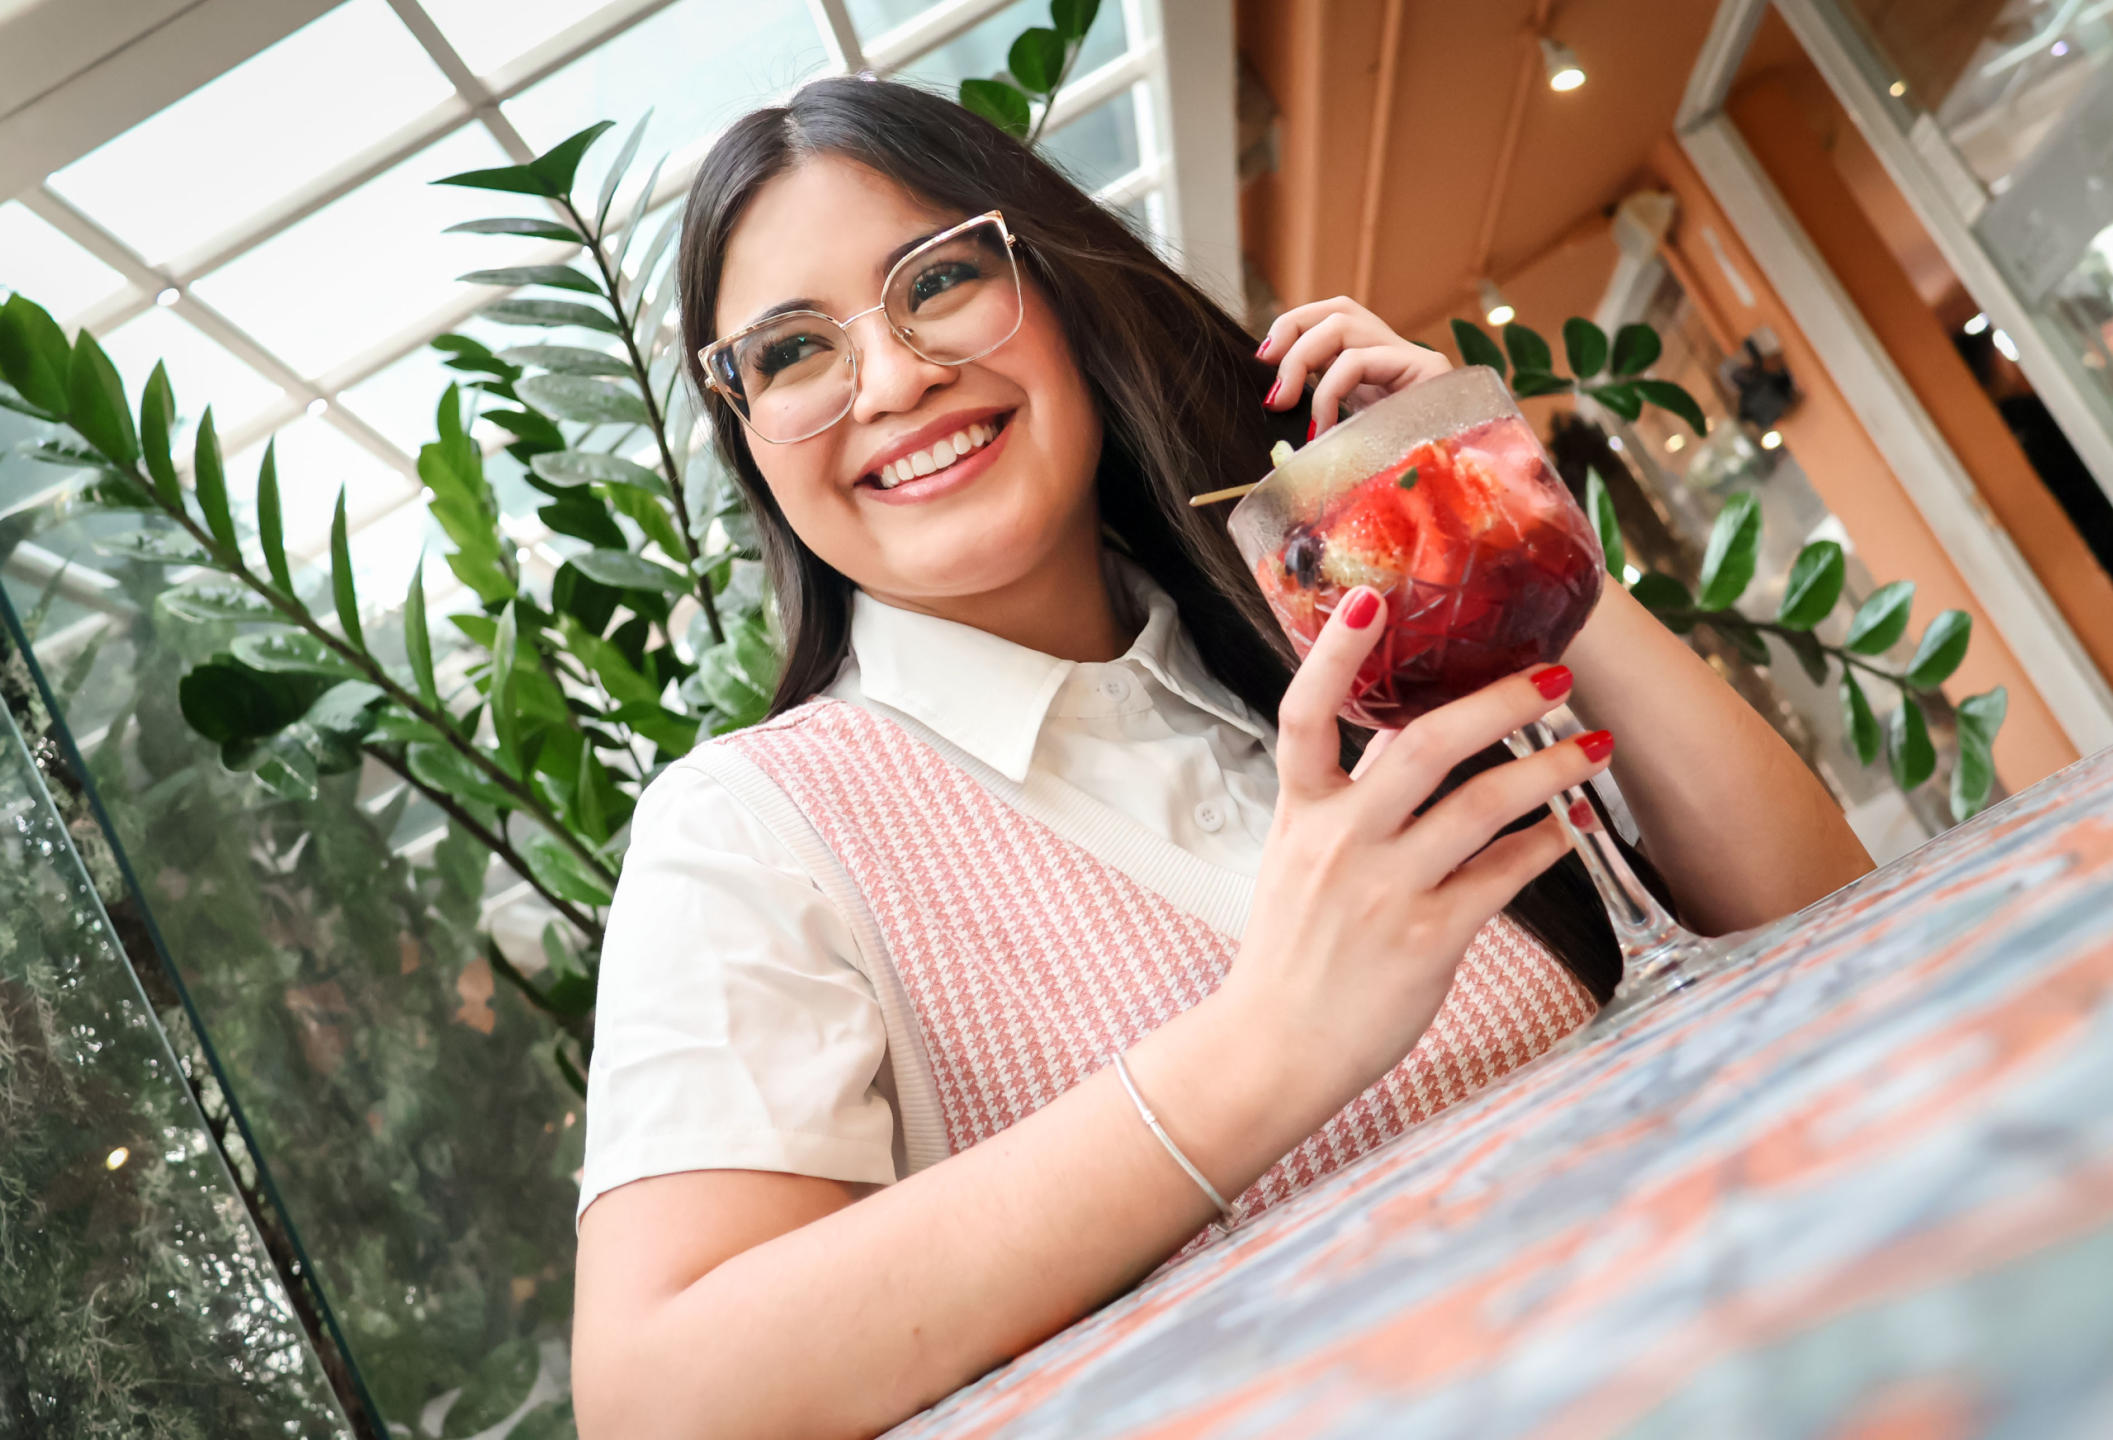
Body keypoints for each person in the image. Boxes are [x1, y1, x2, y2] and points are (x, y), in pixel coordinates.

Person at [570, 76, 1872, 1440]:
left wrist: (1498, 511)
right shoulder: (750, 832)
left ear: (1058, 289)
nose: (894, 381)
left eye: (940, 279)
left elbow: (1822, 921)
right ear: (749, 442)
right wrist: (1269, 1043)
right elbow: (662, 1401)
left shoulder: (1320, 628)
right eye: (790, 352)